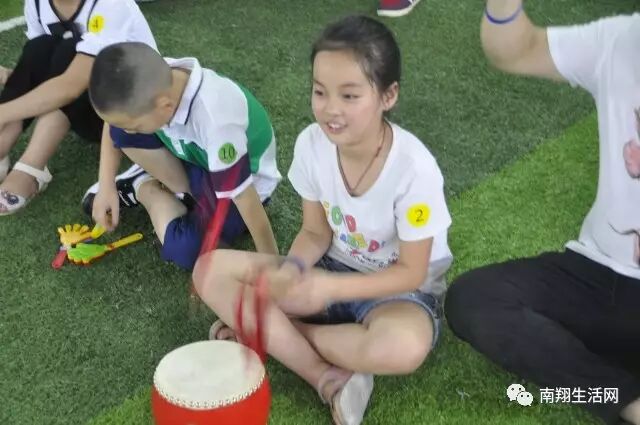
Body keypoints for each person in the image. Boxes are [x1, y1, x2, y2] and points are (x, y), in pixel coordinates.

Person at [192, 15, 452, 425]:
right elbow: (315, 231)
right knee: (209, 269)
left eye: (349, 95)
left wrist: (327, 288)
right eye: (319, 91)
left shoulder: (415, 169)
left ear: (388, 95)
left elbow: (412, 271)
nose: (331, 109)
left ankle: (277, 332)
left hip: (400, 292)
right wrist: (294, 269)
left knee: (403, 348)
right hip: (329, 266)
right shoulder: (311, 144)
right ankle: (325, 376)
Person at [444, 2, 640, 425]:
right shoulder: (622, 39)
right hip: (593, 275)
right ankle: (626, 402)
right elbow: (515, 51)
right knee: (473, 300)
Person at [84, 42, 281, 270]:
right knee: (121, 127)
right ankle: (178, 190)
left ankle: (144, 188)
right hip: (198, 160)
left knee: (187, 249)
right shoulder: (156, 82)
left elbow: (245, 198)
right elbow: (114, 122)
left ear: (165, 106)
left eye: (135, 127)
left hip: (244, 186)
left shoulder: (217, 122)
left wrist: (274, 266)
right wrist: (106, 185)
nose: (128, 132)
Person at [0, 0, 156, 215]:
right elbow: (44, 68)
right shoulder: (36, 3)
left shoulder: (113, 5)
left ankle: (31, 169)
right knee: (40, 47)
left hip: (129, 116)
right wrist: (12, 76)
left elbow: (71, 86)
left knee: (71, 50)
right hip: (87, 103)